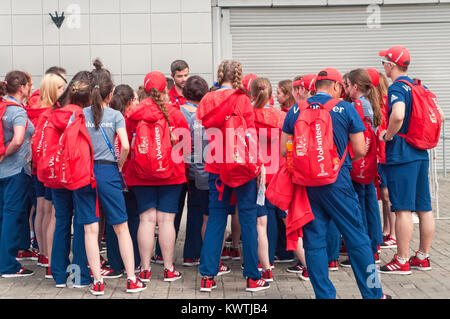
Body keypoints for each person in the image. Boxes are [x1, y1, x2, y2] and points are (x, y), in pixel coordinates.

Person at [280, 67, 388, 299]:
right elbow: (360, 149)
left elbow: (283, 149)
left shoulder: (295, 109)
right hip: (338, 183)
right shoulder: (346, 108)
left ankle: (324, 295)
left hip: (307, 186)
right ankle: (373, 294)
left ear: (315, 87)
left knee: (314, 241)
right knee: (358, 238)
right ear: (337, 86)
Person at [197, 59, 270, 292]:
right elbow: (249, 135)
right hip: (242, 166)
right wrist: (259, 164)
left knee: (216, 219)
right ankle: (251, 277)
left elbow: (203, 132)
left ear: (220, 74)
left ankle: (208, 276)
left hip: (217, 166)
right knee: (248, 220)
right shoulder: (243, 100)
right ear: (238, 76)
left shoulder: (208, 99)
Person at [378, 46, 444, 274]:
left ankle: (402, 260)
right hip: (420, 152)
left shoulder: (397, 87)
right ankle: (423, 257)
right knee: (424, 208)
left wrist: (388, 135)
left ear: (391, 65)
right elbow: (441, 115)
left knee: (403, 209)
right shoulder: (419, 85)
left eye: (384, 62)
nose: (383, 66)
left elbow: (397, 114)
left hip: (402, 154)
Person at [83, 69, 146, 294]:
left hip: (85, 173)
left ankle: (98, 282)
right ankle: (131, 279)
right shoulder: (116, 116)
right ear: (110, 95)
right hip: (108, 172)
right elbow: (126, 146)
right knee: (121, 226)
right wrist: (119, 164)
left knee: (91, 229)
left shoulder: (81, 114)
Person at [125, 71, 190, 283]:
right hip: (172, 175)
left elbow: (127, 145)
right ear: (165, 90)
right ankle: (169, 269)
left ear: (143, 90)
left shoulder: (133, 114)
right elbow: (186, 147)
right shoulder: (176, 113)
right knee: (166, 221)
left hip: (141, 174)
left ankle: (144, 269)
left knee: (146, 220)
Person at [339, 68, 383, 268]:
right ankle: (374, 247)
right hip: (370, 162)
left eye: (346, 85)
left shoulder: (358, 105)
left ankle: (364, 249)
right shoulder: (369, 103)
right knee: (370, 203)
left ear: (354, 87)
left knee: (360, 207)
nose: (345, 89)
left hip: (359, 162)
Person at [250, 76, 287, 282]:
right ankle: (303, 260)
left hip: (258, 175)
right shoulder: (281, 116)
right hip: (279, 173)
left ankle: (264, 263)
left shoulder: (248, 116)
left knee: (260, 223)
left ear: (252, 95)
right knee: (284, 218)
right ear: (272, 95)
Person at [31, 73, 67, 279]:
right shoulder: (53, 113)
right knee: (53, 213)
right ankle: (52, 261)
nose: (64, 91)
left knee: (42, 210)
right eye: (61, 87)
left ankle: (44, 254)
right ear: (53, 90)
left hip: (38, 167)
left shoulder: (36, 110)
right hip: (51, 168)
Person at [0, 71, 35, 278]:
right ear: (22, 87)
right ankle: (8, 266)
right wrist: (5, 154)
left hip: (3, 173)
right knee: (13, 216)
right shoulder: (17, 111)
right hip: (16, 170)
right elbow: (19, 139)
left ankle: (4, 260)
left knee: (3, 216)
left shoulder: (2, 107)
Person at [105, 84, 141, 274]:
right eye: (135, 99)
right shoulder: (131, 120)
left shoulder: (106, 119)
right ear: (129, 102)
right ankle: (133, 262)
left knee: (114, 222)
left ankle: (115, 263)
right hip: (130, 177)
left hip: (111, 177)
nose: (138, 103)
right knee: (132, 220)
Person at [179, 75, 210, 267]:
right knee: (198, 212)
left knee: (173, 214)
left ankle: (162, 253)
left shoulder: (178, 112)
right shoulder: (203, 115)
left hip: (178, 168)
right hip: (199, 170)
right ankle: (193, 252)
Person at [366, 68, 397, 249]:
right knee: (384, 196)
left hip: (386, 154)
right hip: (379, 155)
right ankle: (387, 229)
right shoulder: (375, 103)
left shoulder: (385, 102)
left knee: (387, 195)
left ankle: (393, 233)